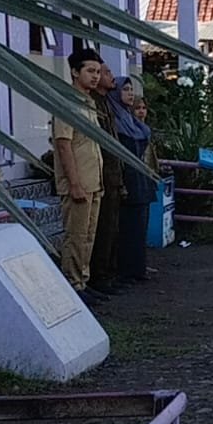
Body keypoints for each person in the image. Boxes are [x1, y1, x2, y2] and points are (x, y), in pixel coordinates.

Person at [55, 48, 107, 304]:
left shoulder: (89, 102)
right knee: (75, 237)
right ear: (75, 72)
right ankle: (72, 284)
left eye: (98, 72)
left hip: (93, 180)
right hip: (78, 182)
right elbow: (63, 144)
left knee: (88, 236)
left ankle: (83, 280)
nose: (95, 76)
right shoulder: (66, 102)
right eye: (90, 71)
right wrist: (74, 183)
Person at [111, 76, 160, 285]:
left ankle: (138, 268)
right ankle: (125, 270)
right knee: (128, 228)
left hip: (142, 180)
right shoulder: (116, 122)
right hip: (127, 180)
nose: (130, 93)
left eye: (131, 89)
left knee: (140, 227)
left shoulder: (133, 123)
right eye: (125, 89)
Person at [88, 61, 126, 296]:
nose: (110, 76)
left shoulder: (107, 102)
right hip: (101, 174)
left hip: (113, 174)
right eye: (106, 72)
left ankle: (109, 273)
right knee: (102, 228)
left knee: (112, 228)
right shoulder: (93, 103)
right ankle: (97, 276)